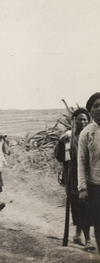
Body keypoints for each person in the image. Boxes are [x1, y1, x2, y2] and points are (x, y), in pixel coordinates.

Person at [56, 108, 95, 251]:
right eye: (80, 119)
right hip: (74, 180)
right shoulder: (68, 137)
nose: (83, 122)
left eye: (85, 119)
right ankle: (88, 240)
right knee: (81, 207)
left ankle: (78, 235)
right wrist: (62, 143)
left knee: (86, 208)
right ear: (74, 120)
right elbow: (60, 157)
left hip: (90, 177)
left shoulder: (92, 135)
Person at [78, 92, 100, 254]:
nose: (99, 109)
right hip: (96, 186)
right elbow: (81, 161)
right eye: (96, 106)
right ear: (90, 110)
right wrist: (82, 188)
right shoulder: (87, 133)